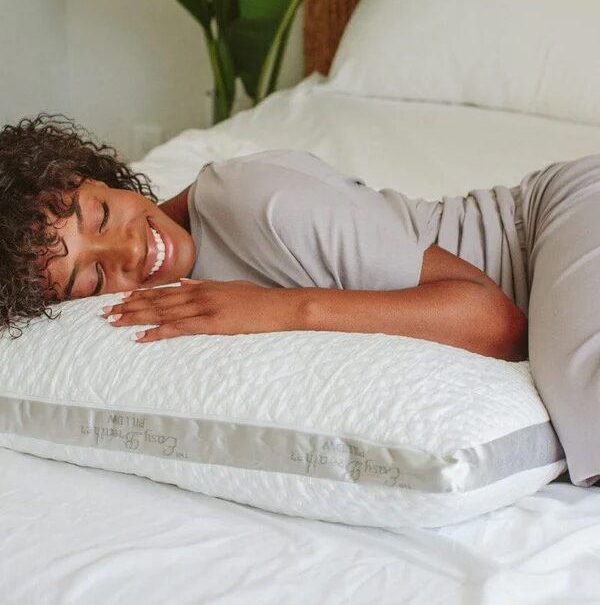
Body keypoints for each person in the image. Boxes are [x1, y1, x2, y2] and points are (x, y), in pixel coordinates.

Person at [0, 113, 598, 487]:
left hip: (555, 222)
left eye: (103, 214)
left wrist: (283, 307)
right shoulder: (157, 304)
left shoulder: (258, 198)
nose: (130, 251)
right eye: (92, 280)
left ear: (96, 175)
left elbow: (496, 322)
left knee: (583, 386)